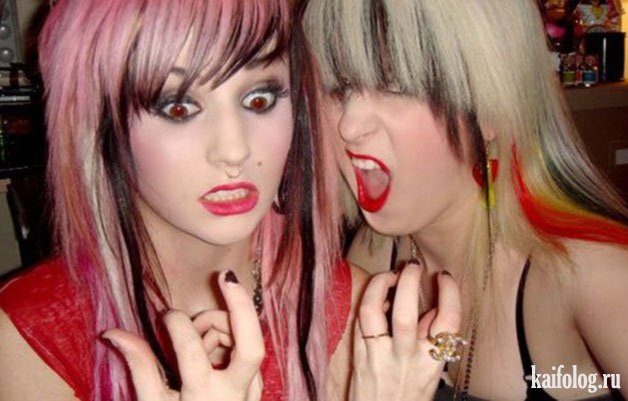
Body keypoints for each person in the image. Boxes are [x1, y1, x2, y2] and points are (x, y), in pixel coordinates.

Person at [0, 1, 460, 400]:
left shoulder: (356, 315)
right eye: (178, 107)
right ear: (101, 128)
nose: (234, 149)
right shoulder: (31, 341)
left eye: (259, 99)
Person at [304, 0, 628, 399]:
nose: (349, 125)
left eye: (395, 85)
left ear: (491, 108)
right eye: (338, 87)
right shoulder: (374, 253)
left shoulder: (594, 277)